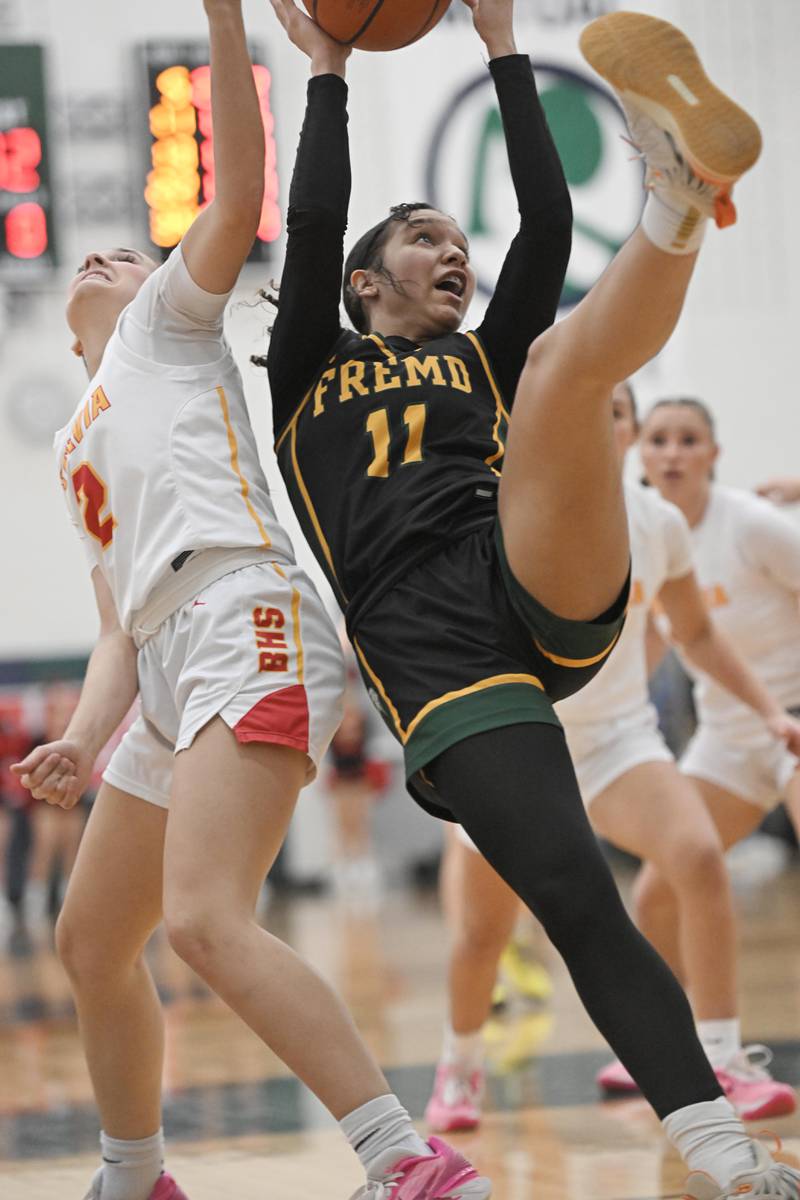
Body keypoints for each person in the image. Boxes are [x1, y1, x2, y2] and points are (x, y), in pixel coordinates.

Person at [266, 0, 800, 1194]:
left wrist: (503, 46)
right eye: (423, 238)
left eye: (460, 240)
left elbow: (547, 228)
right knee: (573, 895)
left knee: (560, 358)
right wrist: (326, 68)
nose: (452, 253)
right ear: (363, 279)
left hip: (528, 573)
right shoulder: (307, 365)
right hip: (441, 657)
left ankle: (673, 192)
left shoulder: (475, 356)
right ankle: (719, 1149)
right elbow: (304, 221)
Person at [11, 5, 489, 1200]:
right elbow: (121, 620)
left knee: (205, 923)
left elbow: (237, 187)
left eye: (123, 253)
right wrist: (78, 732)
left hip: (247, 617)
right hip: (168, 656)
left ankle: (402, 1157)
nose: (104, 259)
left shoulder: (168, 330)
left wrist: (224, 16)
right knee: (88, 939)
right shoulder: (77, 439)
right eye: (105, 255)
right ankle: (135, 1176)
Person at [423, 380, 798, 1133]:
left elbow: (691, 631)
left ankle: (720, 1054)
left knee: (695, 855)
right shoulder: (504, 507)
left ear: (627, 432)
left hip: (618, 741)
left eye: (616, 413)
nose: (601, 424)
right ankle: (459, 1064)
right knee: (482, 935)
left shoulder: (659, 522)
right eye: (583, 410)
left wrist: (766, 710)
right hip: (517, 747)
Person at [637, 396, 800, 996]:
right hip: (727, 737)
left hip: (793, 720)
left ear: (714, 454)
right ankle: (685, 1052)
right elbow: (651, 639)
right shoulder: (644, 532)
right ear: (641, 454)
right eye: (659, 440)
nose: (674, 453)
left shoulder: (753, 524)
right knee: (657, 894)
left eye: (688, 439)